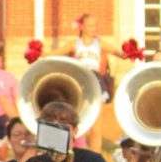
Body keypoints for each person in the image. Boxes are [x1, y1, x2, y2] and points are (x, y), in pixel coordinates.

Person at [49, 13, 129, 153]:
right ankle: (72, 151)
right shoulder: (74, 43)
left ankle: (95, 157)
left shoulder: (100, 43)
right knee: (74, 118)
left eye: (95, 25)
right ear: (82, 27)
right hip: (78, 81)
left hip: (95, 80)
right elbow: (53, 54)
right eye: (90, 25)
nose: (94, 28)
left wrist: (131, 52)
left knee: (96, 125)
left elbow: (120, 54)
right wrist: (36, 52)